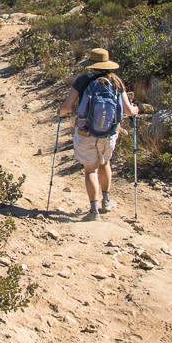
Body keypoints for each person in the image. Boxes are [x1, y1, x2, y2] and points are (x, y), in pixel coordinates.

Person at [57, 48, 138, 221]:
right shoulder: (116, 82)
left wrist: (60, 112)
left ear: (92, 64)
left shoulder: (83, 81)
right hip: (109, 133)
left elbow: (67, 106)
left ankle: (93, 211)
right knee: (105, 163)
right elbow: (129, 111)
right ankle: (106, 201)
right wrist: (136, 110)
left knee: (89, 170)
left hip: (86, 132)